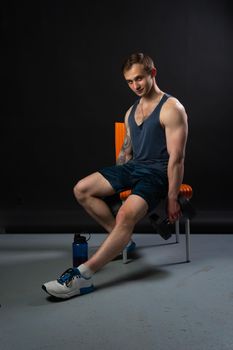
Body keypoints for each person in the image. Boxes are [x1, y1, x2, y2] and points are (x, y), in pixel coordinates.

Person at [42, 52, 188, 299]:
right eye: (130, 82)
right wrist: (118, 182)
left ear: (152, 73)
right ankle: (123, 240)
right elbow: (125, 154)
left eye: (139, 78)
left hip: (158, 175)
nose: (135, 86)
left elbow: (177, 158)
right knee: (82, 189)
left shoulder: (172, 108)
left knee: (125, 214)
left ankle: (82, 276)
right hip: (134, 168)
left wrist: (172, 197)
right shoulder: (131, 112)